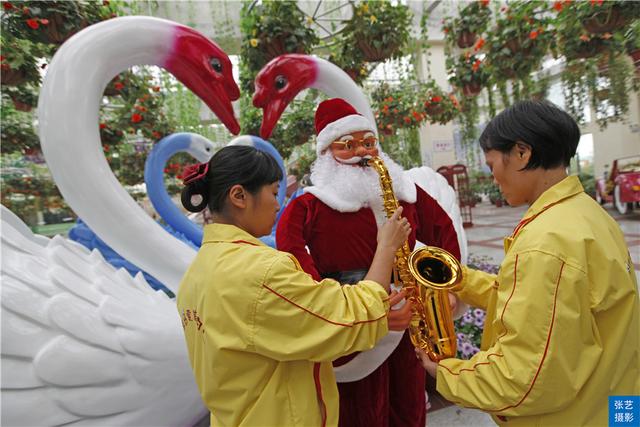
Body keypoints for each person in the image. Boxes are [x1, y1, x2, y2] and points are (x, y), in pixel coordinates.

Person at [417, 100, 640, 426]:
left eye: (492, 164)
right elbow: (541, 302)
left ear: (522, 153)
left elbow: (525, 376)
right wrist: (459, 279)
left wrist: (446, 373)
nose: (492, 176)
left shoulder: (546, 242)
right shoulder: (587, 214)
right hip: (610, 404)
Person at [176, 145, 413, 427]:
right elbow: (344, 317)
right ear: (239, 196)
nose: (278, 204)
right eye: (273, 192)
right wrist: (386, 247)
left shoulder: (196, 274)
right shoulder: (261, 272)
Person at [276, 98, 462, 427]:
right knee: (359, 414)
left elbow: (444, 233)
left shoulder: (408, 192)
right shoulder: (308, 206)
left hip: (408, 325)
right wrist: (338, 308)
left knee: (408, 410)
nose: (363, 152)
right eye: (347, 145)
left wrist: (449, 291)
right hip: (353, 331)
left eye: (369, 143)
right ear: (326, 153)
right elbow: (293, 263)